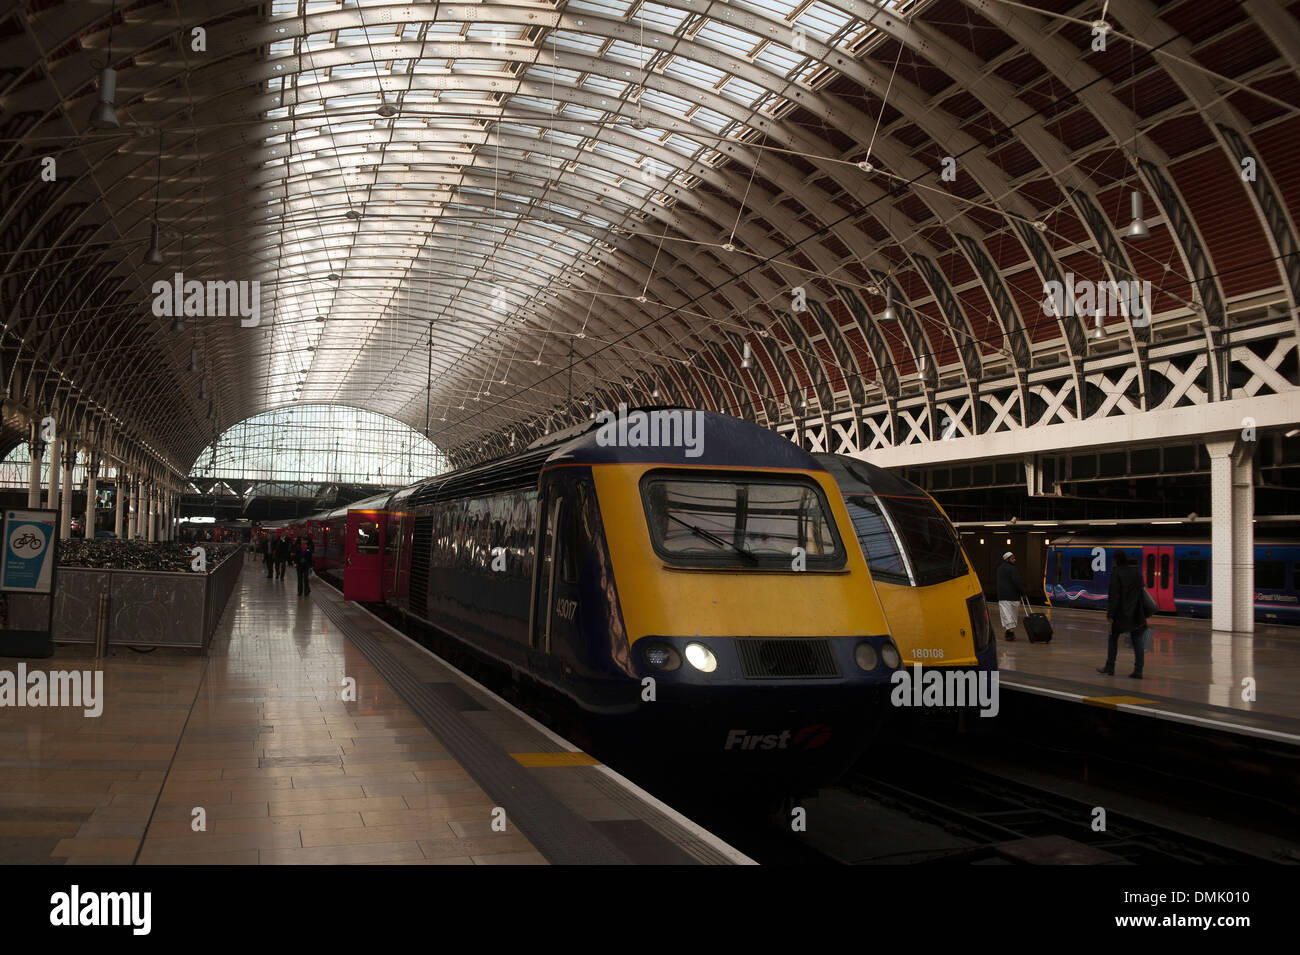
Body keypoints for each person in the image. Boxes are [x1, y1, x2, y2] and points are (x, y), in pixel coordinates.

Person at [1099, 549, 1148, 678]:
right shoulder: (1136, 571)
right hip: (1137, 613)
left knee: (1113, 638)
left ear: (1116, 560)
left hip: (1121, 614)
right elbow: (1142, 591)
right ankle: (1138, 671)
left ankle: (1110, 667)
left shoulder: (1117, 573)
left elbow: (1114, 596)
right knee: (1137, 640)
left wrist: (1110, 615)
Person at [996, 551, 1023, 642]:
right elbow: (1016, 581)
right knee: (1013, 615)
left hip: (1002, 596)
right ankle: (1010, 633)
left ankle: (1009, 632)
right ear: (1007, 559)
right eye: (1012, 558)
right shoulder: (1013, 569)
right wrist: (1022, 592)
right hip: (1013, 596)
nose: (1014, 560)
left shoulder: (999, 568)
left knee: (1006, 615)